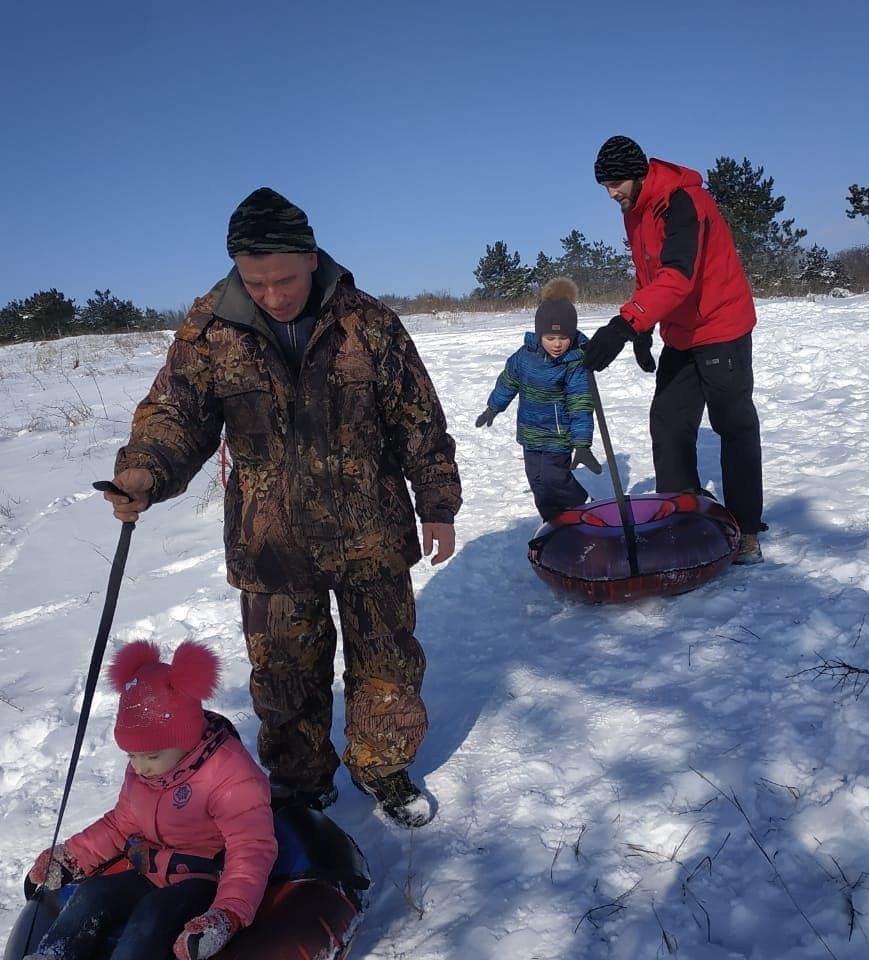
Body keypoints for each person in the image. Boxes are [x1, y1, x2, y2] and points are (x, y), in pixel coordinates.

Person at [100, 187, 463, 827]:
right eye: (256, 281)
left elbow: (418, 420)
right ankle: (299, 787)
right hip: (271, 541)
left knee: (386, 661)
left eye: (285, 279)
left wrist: (437, 502)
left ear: (312, 258)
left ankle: (384, 768)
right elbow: (176, 415)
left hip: (369, 530)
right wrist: (144, 472)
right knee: (285, 674)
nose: (273, 294)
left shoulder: (368, 322)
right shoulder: (208, 330)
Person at [26, 640, 277, 960]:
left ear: (184, 739)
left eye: (151, 755)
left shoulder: (230, 774)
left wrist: (227, 913)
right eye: (131, 755)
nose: (139, 766)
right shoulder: (145, 772)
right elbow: (120, 824)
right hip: (148, 870)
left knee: (151, 917)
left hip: (202, 881)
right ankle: (52, 955)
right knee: (93, 894)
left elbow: (251, 848)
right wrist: (70, 858)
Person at [584, 135, 765, 564]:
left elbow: (680, 276)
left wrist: (624, 325)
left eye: (616, 183)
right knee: (668, 421)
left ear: (638, 172)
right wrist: (644, 328)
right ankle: (684, 516)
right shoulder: (636, 211)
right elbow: (651, 274)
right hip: (682, 331)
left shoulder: (683, 202)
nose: (611, 194)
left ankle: (748, 530)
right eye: (604, 186)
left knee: (732, 424)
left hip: (720, 324)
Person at [475, 277, 600, 521]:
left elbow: (581, 404)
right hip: (530, 433)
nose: (557, 344)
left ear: (572, 336)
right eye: (550, 338)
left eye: (563, 338)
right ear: (540, 334)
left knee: (555, 476)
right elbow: (507, 382)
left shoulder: (574, 363)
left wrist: (582, 443)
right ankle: (553, 522)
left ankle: (585, 507)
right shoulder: (524, 357)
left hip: (558, 434)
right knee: (538, 482)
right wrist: (493, 408)